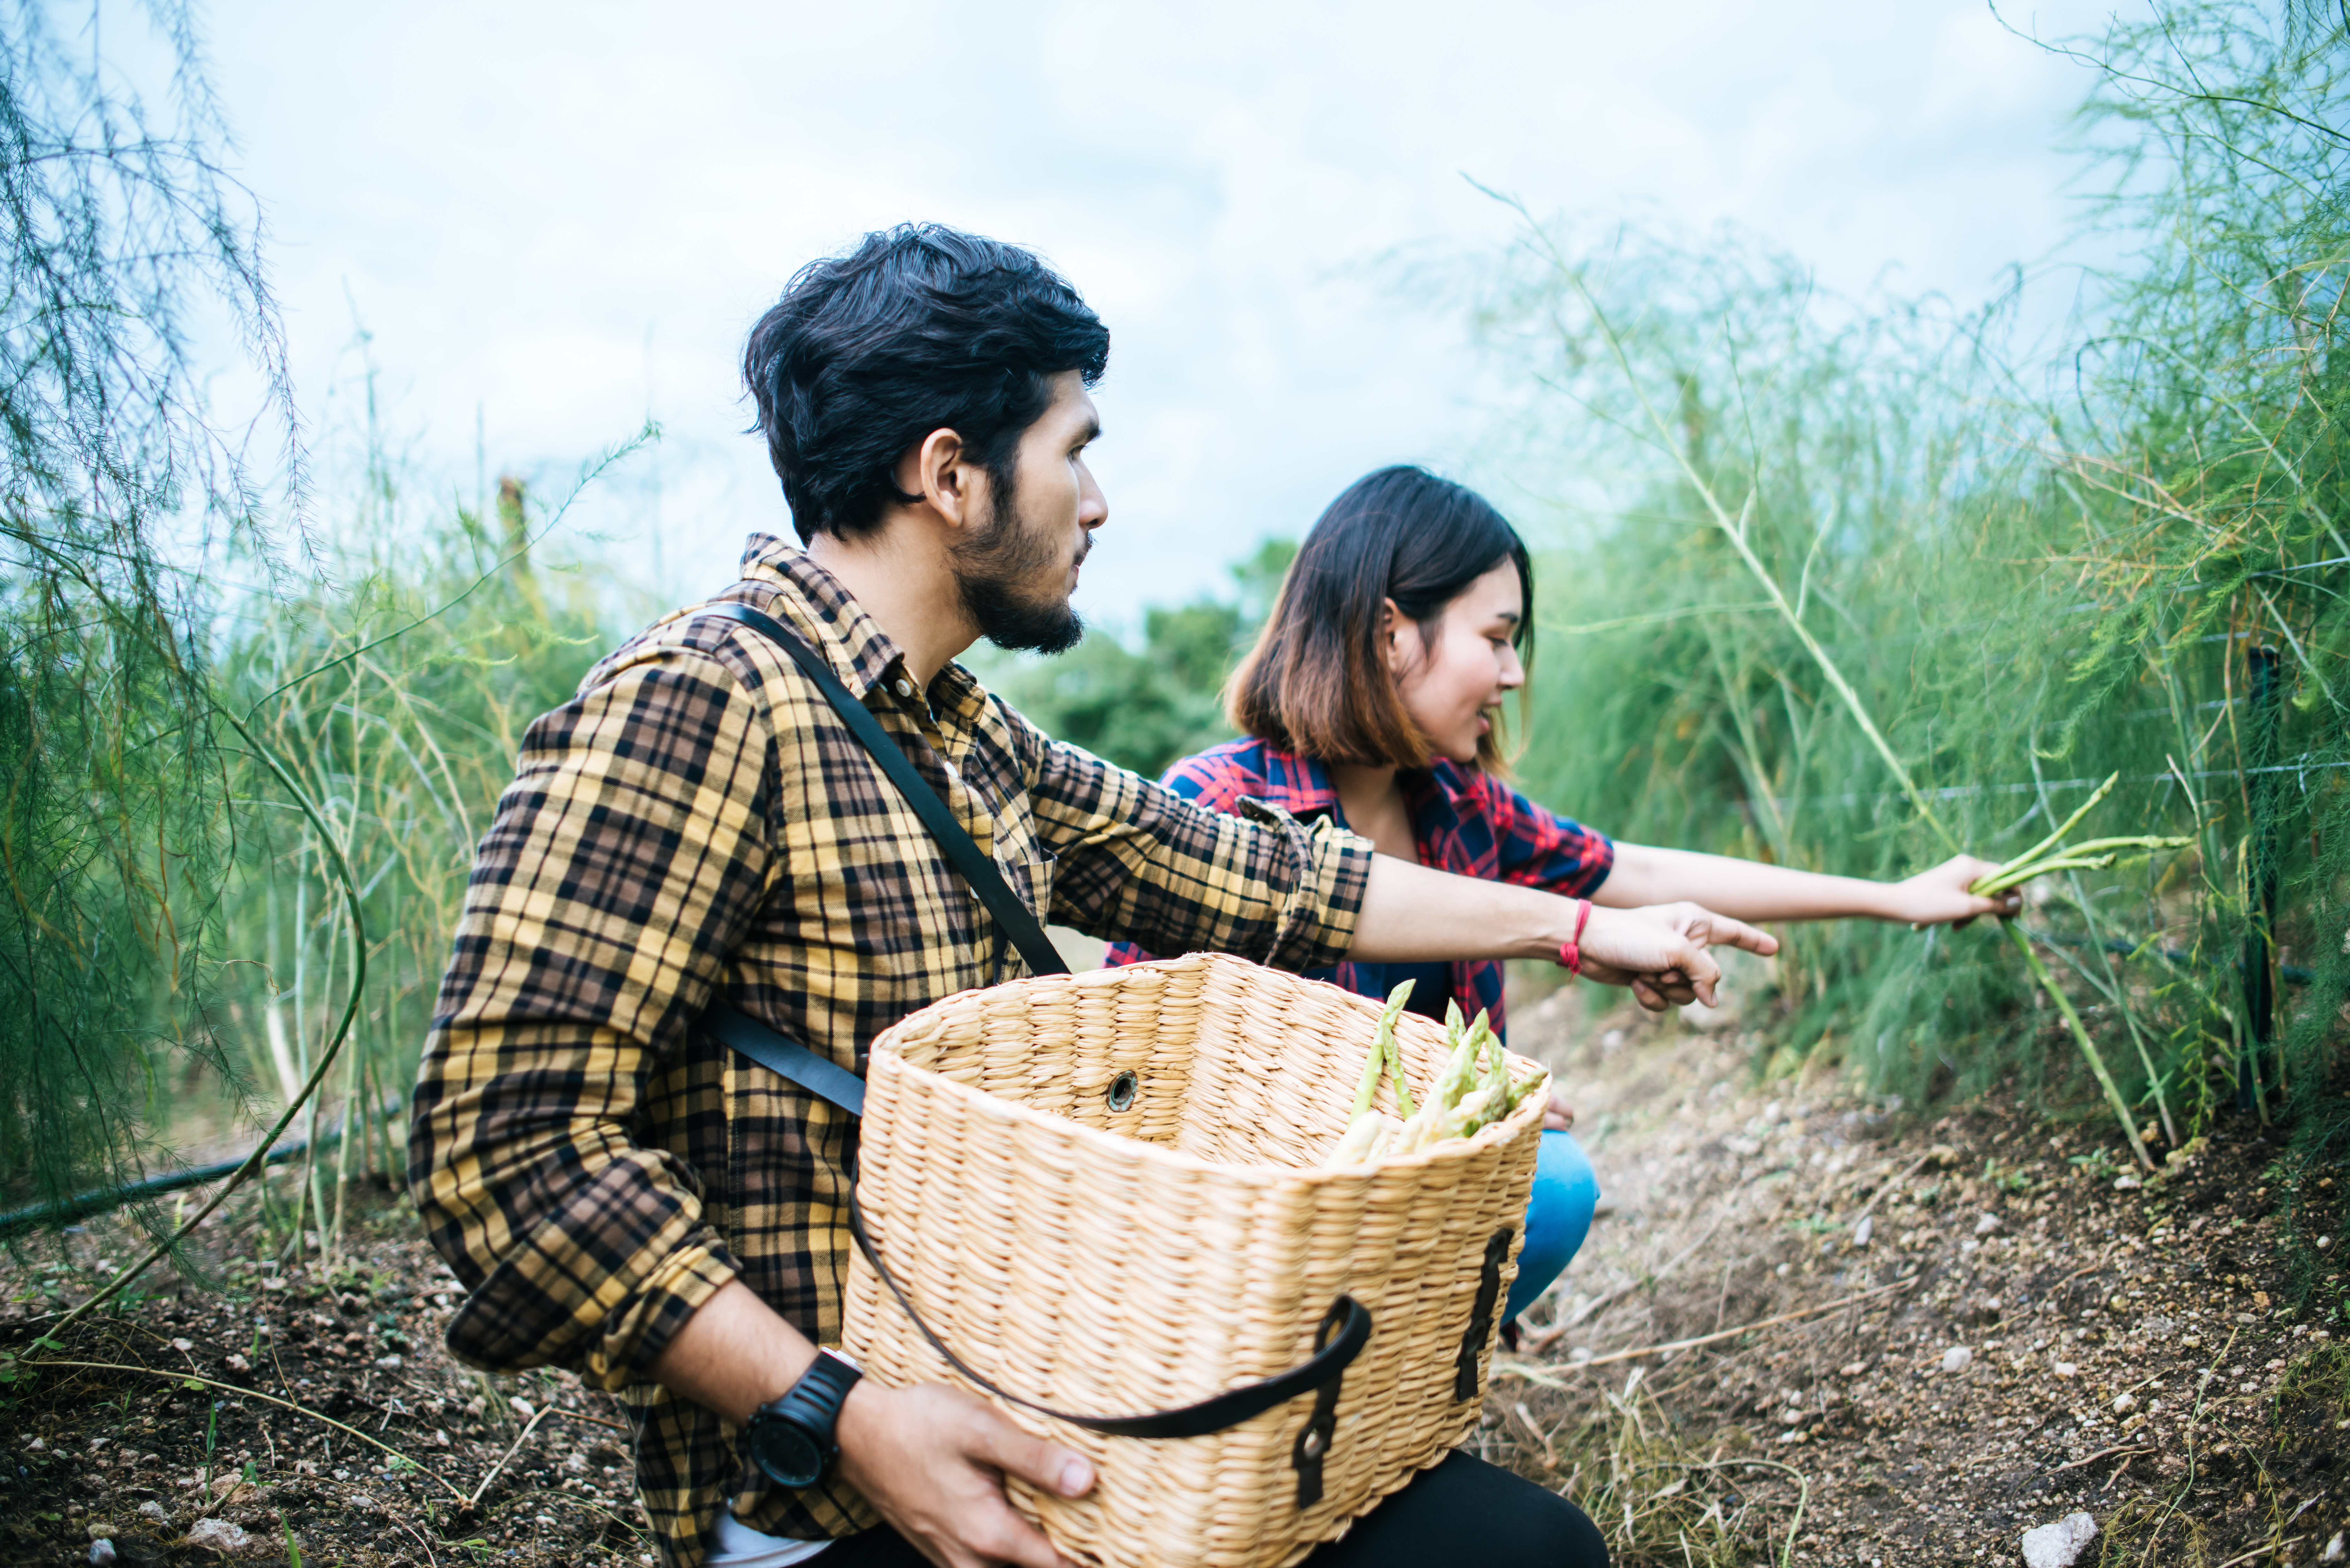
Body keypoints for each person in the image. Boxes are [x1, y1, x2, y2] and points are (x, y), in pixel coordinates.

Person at [410, 226, 1774, 1568]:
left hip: (1050, 1407)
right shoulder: (703, 701)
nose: (1099, 502)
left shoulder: (964, 733)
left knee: (1529, 1546)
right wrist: (847, 1411)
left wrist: (1580, 927)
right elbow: (503, 1146)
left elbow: (1270, 875)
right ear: (951, 474)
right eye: (1078, 450)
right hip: (839, 1502)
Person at [1107, 465, 2018, 1331]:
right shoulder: (1219, 810)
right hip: (1236, 1240)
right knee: (1543, 1183)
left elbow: (1643, 875)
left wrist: (1896, 898)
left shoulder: (1459, 802)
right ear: (1392, 636)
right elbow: (1129, 1087)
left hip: (1395, 1208)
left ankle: (1405, 1389)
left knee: (1549, 1186)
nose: (1513, 675)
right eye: (1497, 639)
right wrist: (1440, 1108)